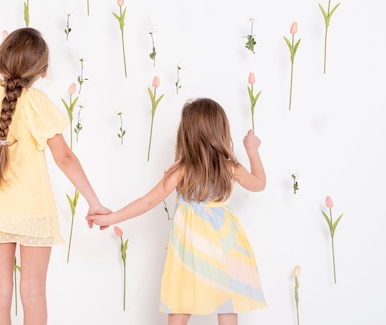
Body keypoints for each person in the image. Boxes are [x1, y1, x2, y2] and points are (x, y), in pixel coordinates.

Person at [0, 5, 109, 325]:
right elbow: (65, 158)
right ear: (43, 72)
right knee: (33, 292)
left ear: (5, 61)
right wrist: (94, 201)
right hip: (34, 212)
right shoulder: (37, 104)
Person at [87, 98, 267, 325]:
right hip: (225, 244)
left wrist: (112, 217)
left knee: (181, 304)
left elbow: (148, 201)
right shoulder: (228, 166)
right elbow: (259, 183)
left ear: (187, 133)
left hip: (192, 248)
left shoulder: (182, 170)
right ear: (220, 130)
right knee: (227, 304)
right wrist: (252, 150)